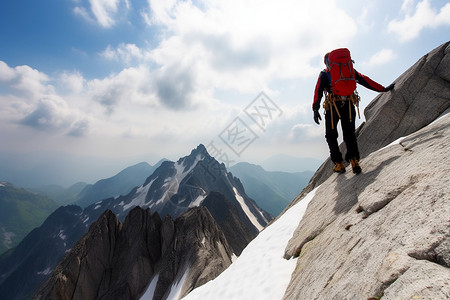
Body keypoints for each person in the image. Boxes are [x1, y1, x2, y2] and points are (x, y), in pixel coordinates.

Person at [313, 51, 394, 174]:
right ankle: (354, 161)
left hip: (333, 106)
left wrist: (315, 108)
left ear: (326, 62)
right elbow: (365, 80)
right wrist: (382, 89)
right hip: (349, 104)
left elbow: (318, 91)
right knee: (349, 133)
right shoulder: (348, 71)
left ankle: (339, 163)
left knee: (331, 135)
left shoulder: (324, 74)